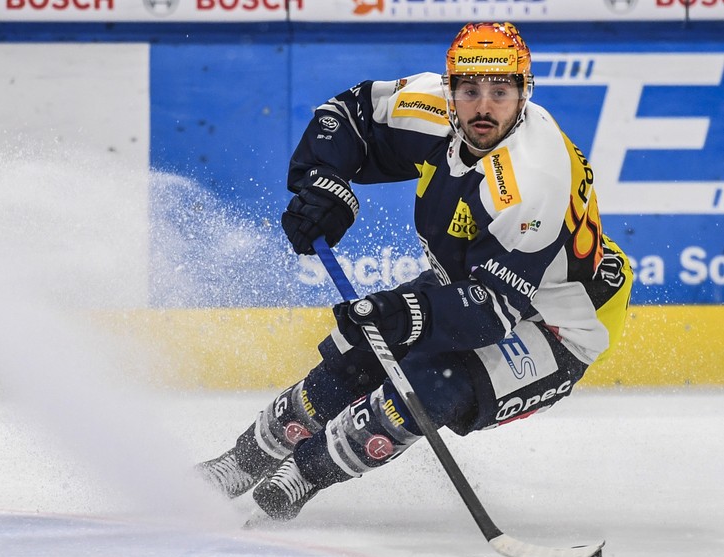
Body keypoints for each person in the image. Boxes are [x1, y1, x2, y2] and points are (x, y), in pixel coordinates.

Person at [196, 22, 633, 521]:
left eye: (501, 92)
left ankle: (305, 474)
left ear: (524, 94)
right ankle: (241, 462)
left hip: (556, 319)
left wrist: (401, 312)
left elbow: (490, 313)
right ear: (449, 90)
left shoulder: (534, 178)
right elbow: (347, 115)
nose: (484, 107)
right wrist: (323, 183)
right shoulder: (433, 108)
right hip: (468, 282)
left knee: (432, 384)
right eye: (470, 90)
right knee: (359, 354)